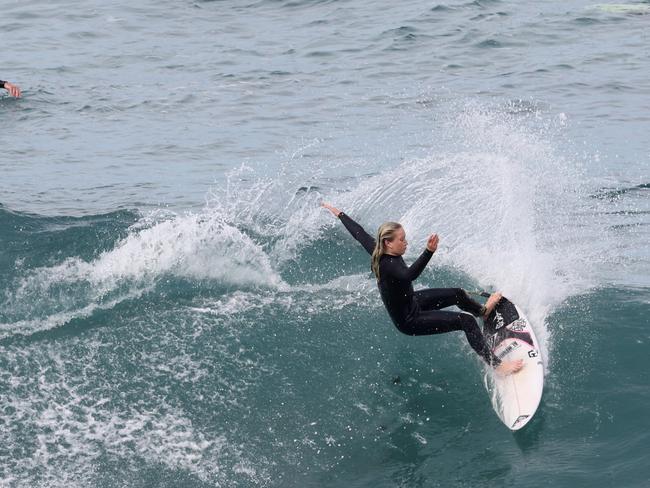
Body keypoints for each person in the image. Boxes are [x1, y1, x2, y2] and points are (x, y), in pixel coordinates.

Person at [321, 202, 523, 376]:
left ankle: (483, 312)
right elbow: (409, 276)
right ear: (388, 243)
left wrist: (339, 213)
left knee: (457, 294)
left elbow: (358, 233)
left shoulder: (378, 249)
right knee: (465, 321)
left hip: (412, 301)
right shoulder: (388, 265)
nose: (406, 242)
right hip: (409, 320)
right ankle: (498, 366)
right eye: (401, 239)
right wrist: (429, 251)